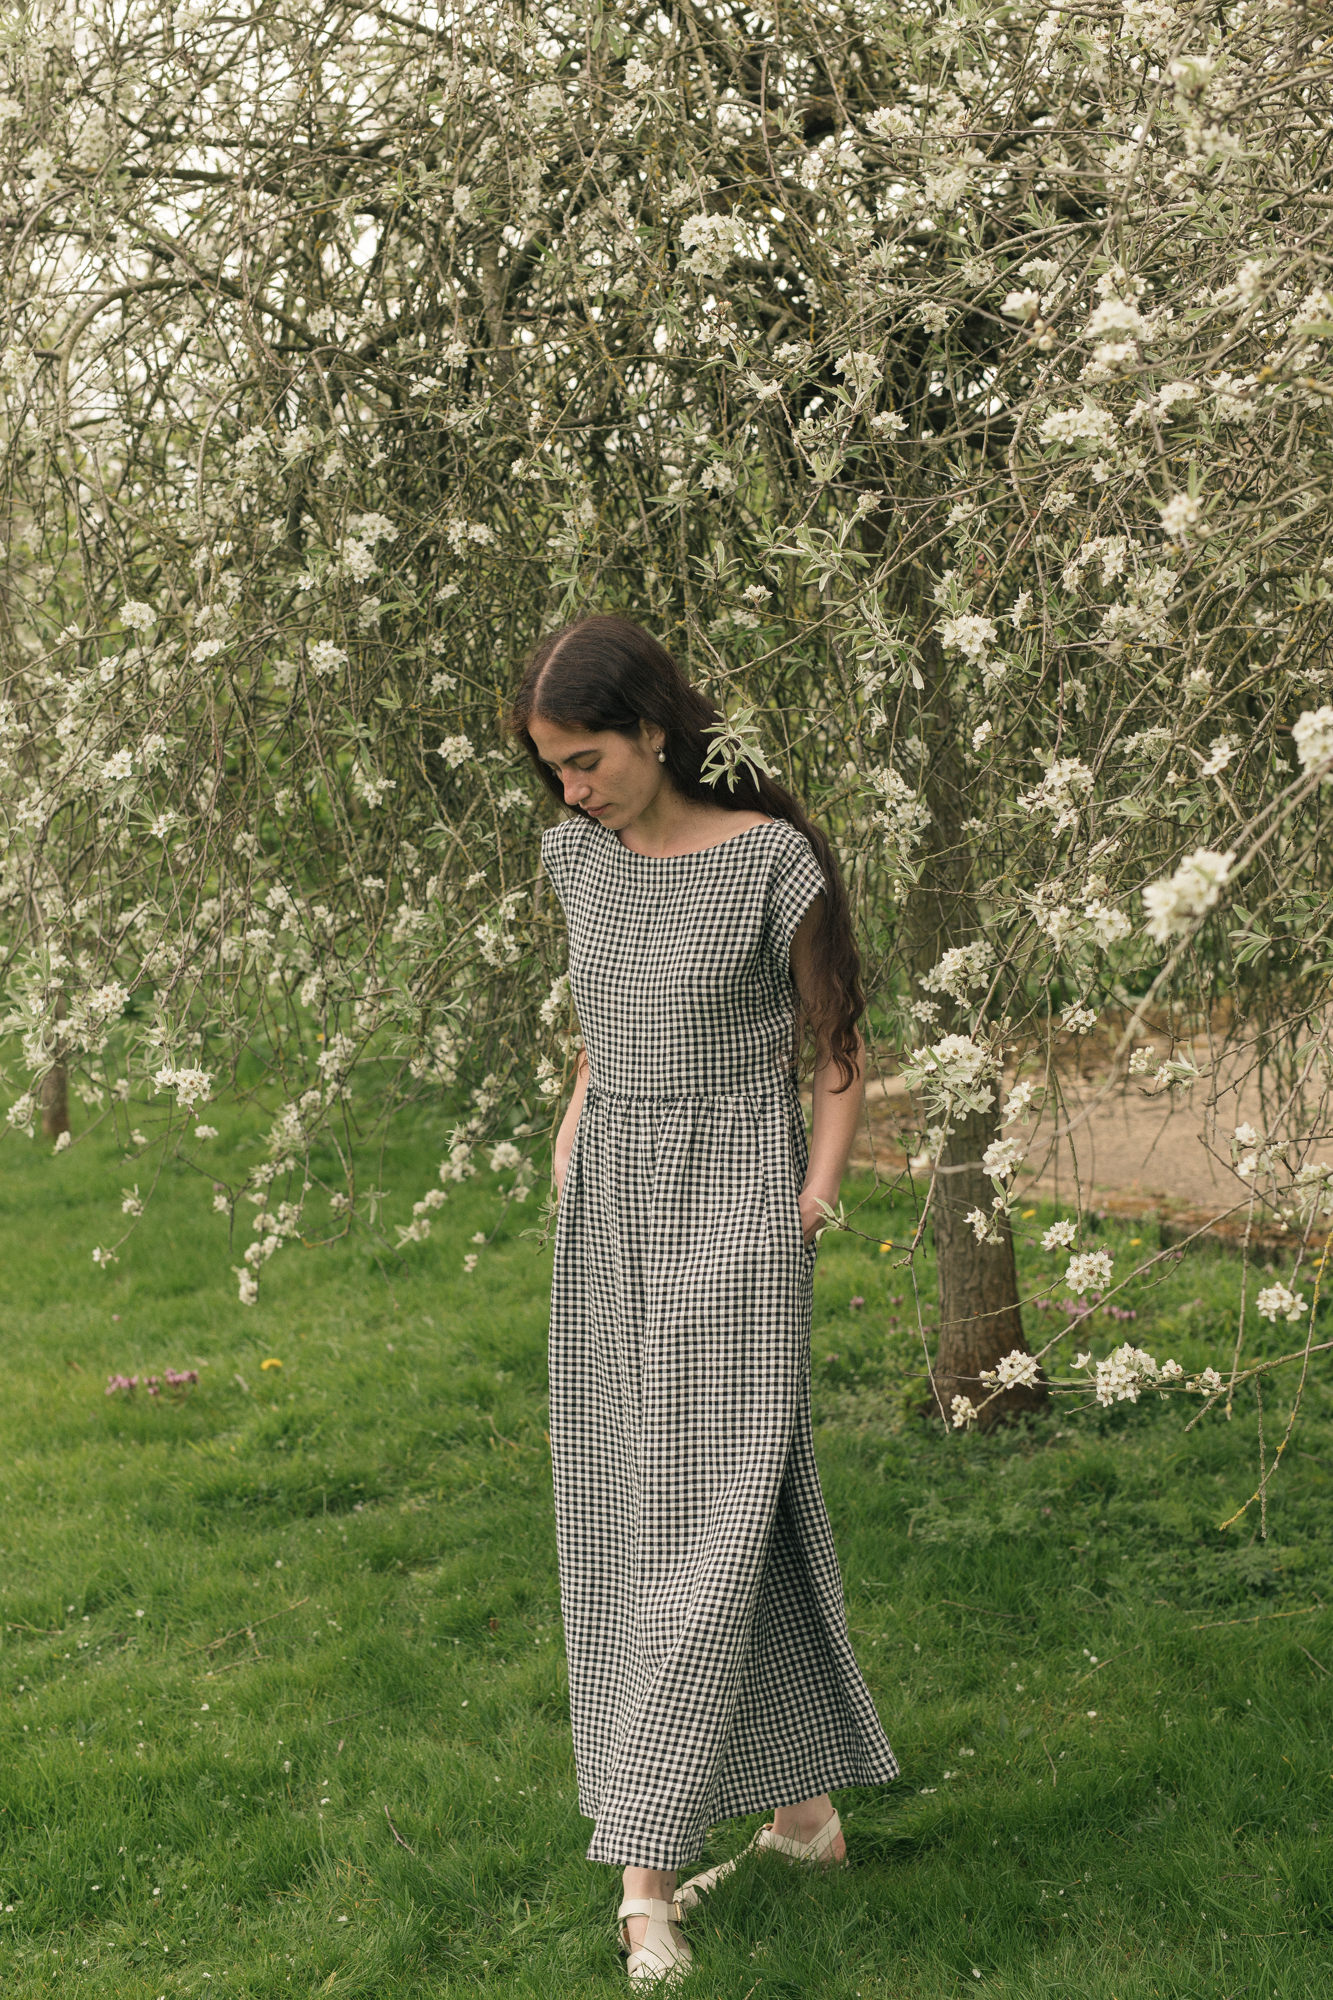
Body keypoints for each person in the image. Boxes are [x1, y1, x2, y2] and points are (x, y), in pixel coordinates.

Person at [511, 615, 898, 1986]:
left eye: (588, 759)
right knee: (638, 1510)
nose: (572, 790)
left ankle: (645, 1872)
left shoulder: (770, 861)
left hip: (738, 1205)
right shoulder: (576, 862)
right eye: (554, 769)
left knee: (705, 1512)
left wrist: (813, 1197)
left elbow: (837, 1038)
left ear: (657, 732)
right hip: (611, 1205)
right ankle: (800, 1815)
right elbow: (604, 1021)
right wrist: (573, 1122)